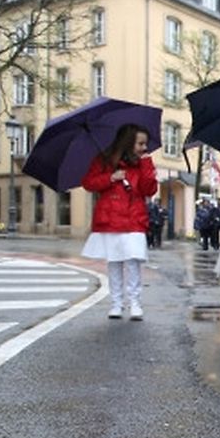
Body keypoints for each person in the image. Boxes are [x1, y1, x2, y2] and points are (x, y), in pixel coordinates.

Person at [79, 123, 159, 320]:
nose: (144, 148)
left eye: (145, 144)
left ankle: (135, 303)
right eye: (140, 143)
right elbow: (88, 183)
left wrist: (147, 165)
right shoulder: (104, 160)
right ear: (128, 142)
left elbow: (150, 189)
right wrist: (111, 177)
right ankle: (116, 303)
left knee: (133, 262)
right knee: (114, 263)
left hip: (134, 218)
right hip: (111, 218)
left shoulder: (143, 163)